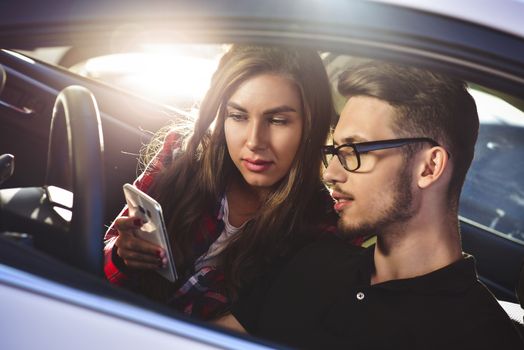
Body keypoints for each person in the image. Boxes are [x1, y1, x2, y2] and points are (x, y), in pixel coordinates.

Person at [225, 61, 524, 348]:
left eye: (356, 150)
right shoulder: (310, 260)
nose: (331, 173)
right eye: (335, 151)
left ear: (429, 167)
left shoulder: (484, 338)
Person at [103, 44, 343, 320]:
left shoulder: (321, 226)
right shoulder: (183, 157)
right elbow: (106, 264)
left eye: (277, 120)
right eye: (238, 116)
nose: (254, 141)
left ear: (312, 126)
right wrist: (123, 255)